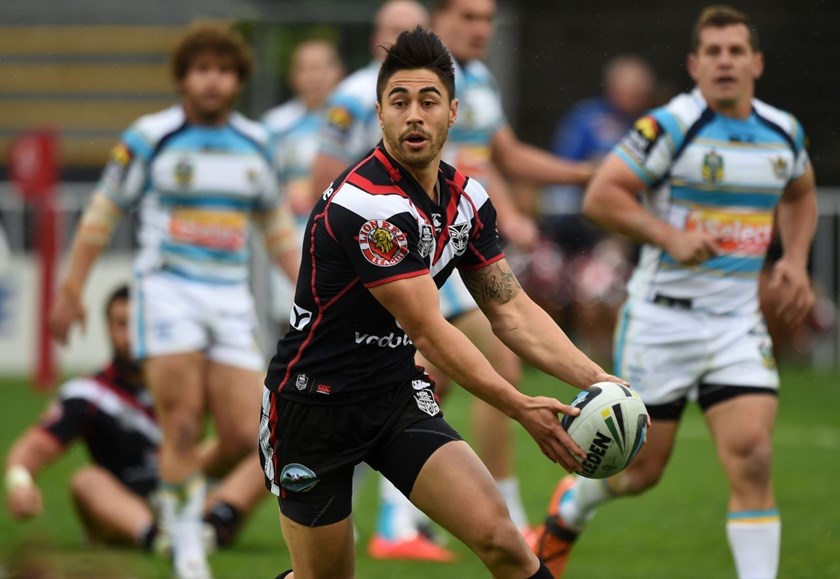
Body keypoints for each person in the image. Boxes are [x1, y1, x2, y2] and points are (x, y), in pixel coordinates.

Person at [261, 26, 623, 579]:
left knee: (504, 542)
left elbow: (511, 310)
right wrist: (520, 405)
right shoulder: (370, 207)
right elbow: (430, 332)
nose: (413, 115)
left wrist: (600, 379)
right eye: (398, 102)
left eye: (428, 101)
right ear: (379, 114)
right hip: (315, 407)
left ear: (453, 112)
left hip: (393, 395)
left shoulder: (466, 198)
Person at [532, 6, 817, 578]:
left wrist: (798, 262)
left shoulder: (783, 131)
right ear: (694, 64)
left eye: (736, 51)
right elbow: (601, 196)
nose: (725, 62)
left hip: (737, 324)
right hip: (664, 321)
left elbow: (801, 192)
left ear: (756, 62)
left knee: (753, 459)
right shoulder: (668, 126)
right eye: (713, 52)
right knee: (640, 473)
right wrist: (669, 236)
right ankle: (570, 508)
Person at [48, 23, 298, 579]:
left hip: (229, 297)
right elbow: (102, 213)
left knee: (244, 431)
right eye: (202, 69)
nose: (213, 81)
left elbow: (276, 228)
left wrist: (318, 291)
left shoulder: (258, 144)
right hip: (167, 293)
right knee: (181, 423)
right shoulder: (149, 137)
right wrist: (71, 287)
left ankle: (171, 494)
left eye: (224, 70)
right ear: (184, 76)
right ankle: (188, 551)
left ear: (237, 80)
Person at [7, 285, 269, 553]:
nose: (130, 335)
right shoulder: (88, 394)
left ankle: (212, 526)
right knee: (85, 480)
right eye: (121, 324)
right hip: (126, 500)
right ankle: (157, 539)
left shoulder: (188, 382)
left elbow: (244, 426)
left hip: (187, 485)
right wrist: (20, 484)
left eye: (138, 323)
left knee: (270, 442)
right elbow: (34, 448)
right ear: (108, 329)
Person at [534, 54, 657, 362]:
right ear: (612, 87)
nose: (633, 95)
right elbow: (562, 174)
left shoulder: (653, 128)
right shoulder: (587, 119)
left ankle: (602, 358)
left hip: (616, 235)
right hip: (569, 226)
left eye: (639, 89)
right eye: (628, 87)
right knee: (540, 274)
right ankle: (547, 356)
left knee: (597, 285)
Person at [262, 39, 344, 343]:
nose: (314, 77)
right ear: (293, 77)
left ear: (337, 72)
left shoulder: (354, 119)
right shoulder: (275, 126)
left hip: (342, 237)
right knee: (295, 326)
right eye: (305, 69)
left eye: (320, 67)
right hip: (295, 237)